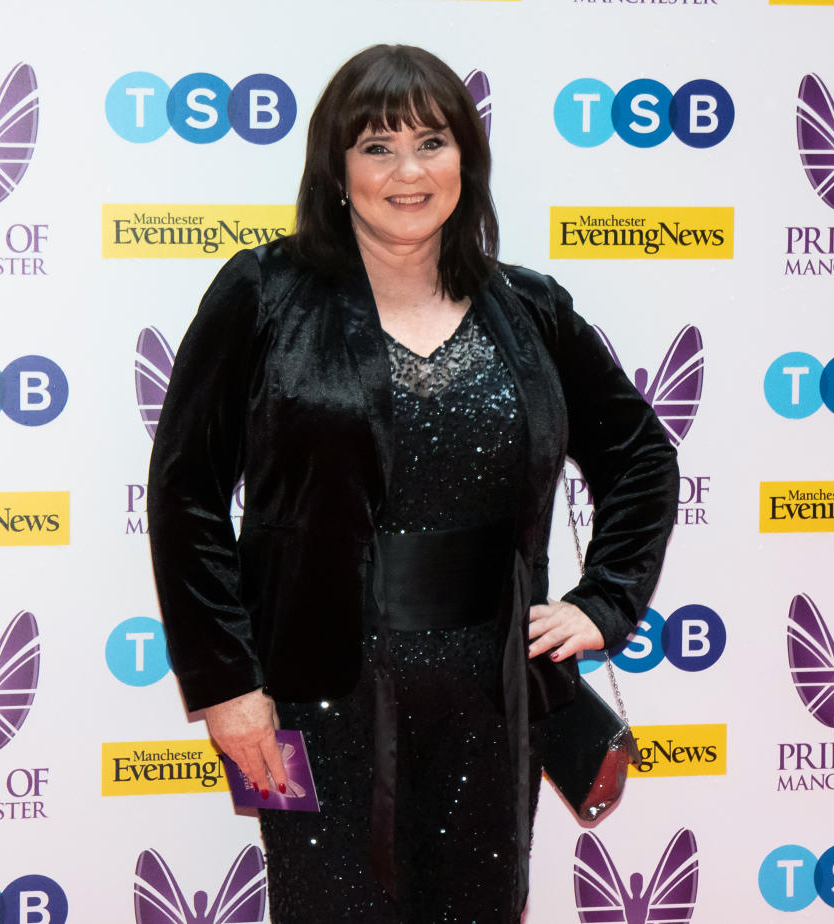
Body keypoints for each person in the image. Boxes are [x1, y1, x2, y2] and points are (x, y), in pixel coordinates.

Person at [147, 44, 679, 923]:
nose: (407, 171)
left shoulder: (531, 309)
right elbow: (187, 491)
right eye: (376, 146)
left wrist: (606, 600)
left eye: (431, 142)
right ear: (336, 167)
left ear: (465, 160)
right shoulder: (264, 294)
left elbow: (641, 459)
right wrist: (227, 686)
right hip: (313, 701)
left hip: (490, 697)